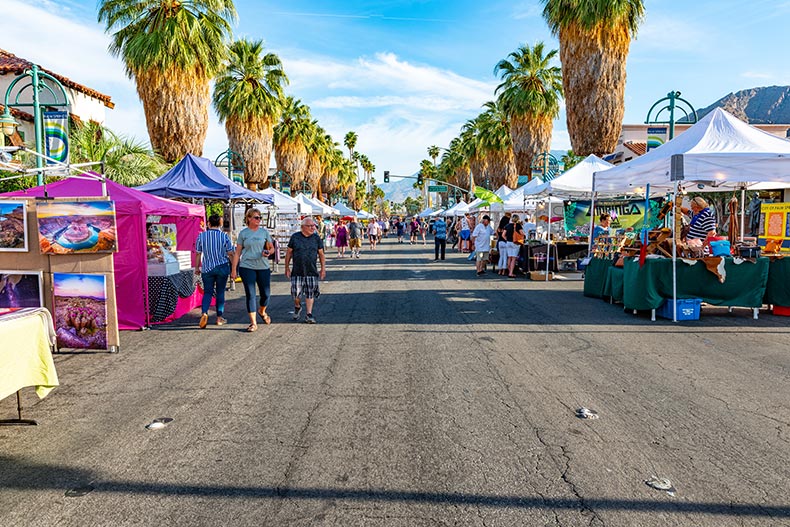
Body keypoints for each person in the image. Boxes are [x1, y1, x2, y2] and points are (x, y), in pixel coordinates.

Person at [231, 208, 275, 332]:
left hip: (263, 266)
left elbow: (272, 248)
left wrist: (268, 252)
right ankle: (253, 323)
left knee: (265, 294)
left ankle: (262, 311)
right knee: (250, 294)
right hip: (247, 266)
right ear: (249, 218)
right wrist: (234, 270)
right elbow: (237, 252)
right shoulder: (243, 233)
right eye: (256, 217)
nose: (259, 220)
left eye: (260, 217)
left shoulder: (264, 232)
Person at [285, 217, 326, 324]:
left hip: (311, 271)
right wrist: (287, 268)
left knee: (310, 293)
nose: (313, 228)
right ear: (303, 227)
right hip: (297, 271)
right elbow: (289, 253)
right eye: (310, 226)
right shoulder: (295, 237)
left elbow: (321, 254)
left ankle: (309, 314)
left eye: (314, 226)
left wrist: (323, 269)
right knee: (296, 294)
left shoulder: (317, 238)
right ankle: (297, 306)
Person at [195, 214, 234, 328]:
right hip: (222, 267)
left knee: (207, 292)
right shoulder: (224, 236)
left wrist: (197, 268)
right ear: (220, 224)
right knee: (220, 292)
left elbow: (198, 253)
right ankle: (219, 318)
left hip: (207, 268)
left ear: (209, 223)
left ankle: (204, 313)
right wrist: (234, 269)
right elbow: (230, 253)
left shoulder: (201, 236)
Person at [504, 214, 524, 278]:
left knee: (509, 257)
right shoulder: (518, 226)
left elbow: (503, 235)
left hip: (508, 243)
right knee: (513, 258)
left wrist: (507, 239)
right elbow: (522, 234)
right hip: (515, 243)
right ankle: (511, 273)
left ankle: (509, 271)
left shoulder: (507, 225)